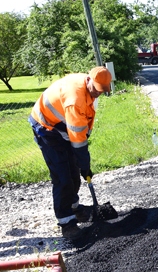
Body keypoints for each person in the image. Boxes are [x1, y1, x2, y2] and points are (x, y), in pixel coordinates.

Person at [29, 66, 112, 239]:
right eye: (97, 89)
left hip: (62, 128)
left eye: (102, 90)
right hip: (46, 128)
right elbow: (78, 139)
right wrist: (85, 165)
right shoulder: (75, 99)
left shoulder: (89, 90)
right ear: (89, 80)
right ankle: (67, 223)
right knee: (62, 177)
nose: (98, 93)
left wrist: (81, 165)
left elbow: (82, 128)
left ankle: (74, 208)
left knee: (73, 173)